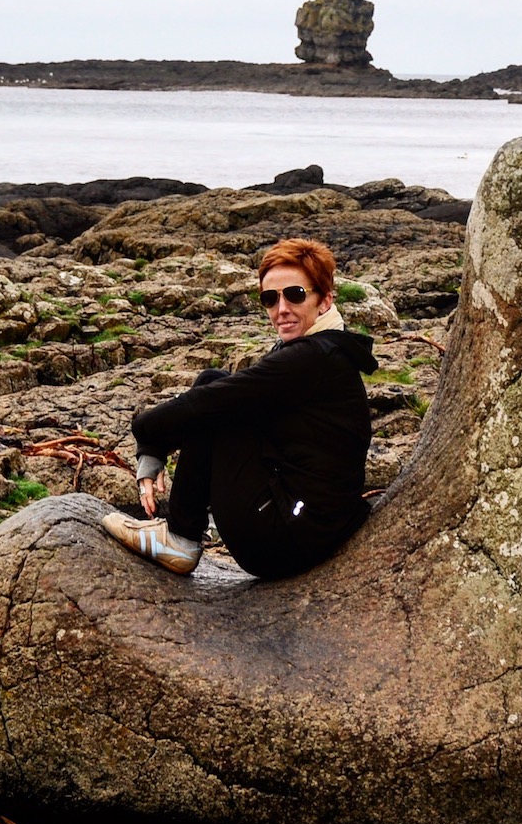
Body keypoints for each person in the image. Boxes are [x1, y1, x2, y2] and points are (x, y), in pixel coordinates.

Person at [101, 237, 377, 579]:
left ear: (324, 301)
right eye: (269, 299)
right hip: (308, 526)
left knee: (216, 404)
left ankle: (180, 537)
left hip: (285, 540)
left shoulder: (313, 358)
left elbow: (211, 403)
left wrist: (146, 434)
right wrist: (154, 447)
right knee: (213, 382)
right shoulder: (325, 349)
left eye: (295, 294)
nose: (281, 309)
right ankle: (181, 534)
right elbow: (221, 393)